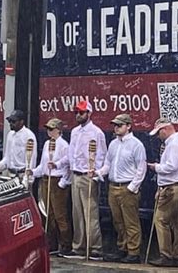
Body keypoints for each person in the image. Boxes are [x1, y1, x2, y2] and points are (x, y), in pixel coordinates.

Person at [91, 114, 147, 264]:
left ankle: (134, 251)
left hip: (127, 187)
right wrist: (98, 173)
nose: (116, 128)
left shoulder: (136, 145)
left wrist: (132, 187)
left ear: (128, 126)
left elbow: (141, 168)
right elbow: (108, 164)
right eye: (115, 125)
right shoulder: (113, 144)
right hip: (113, 186)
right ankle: (122, 248)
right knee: (118, 221)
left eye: (119, 125)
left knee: (131, 221)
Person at [63, 100, 107, 261]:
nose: (78, 115)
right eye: (76, 113)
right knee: (77, 213)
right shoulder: (74, 132)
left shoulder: (97, 133)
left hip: (88, 176)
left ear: (89, 113)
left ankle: (95, 248)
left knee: (91, 213)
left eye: (81, 112)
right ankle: (79, 247)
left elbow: (101, 155)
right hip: (76, 175)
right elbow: (71, 153)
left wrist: (96, 173)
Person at [147, 118, 178, 268]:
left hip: (173, 188)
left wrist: (155, 167)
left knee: (160, 219)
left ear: (164, 130)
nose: (158, 137)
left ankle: (166, 255)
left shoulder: (173, 144)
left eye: (158, 133)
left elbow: (171, 167)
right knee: (177, 222)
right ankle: (177, 256)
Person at [27, 118, 72, 256]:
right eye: (48, 128)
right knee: (49, 213)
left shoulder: (64, 145)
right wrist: (33, 172)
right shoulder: (47, 143)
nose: (49, 131)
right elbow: (43, 164)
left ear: (59, 130)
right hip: (46, 179)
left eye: (52, 129)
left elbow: (68, 164)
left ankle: (66, 244)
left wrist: (63, 181)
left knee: (60, 214)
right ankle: (52, 243)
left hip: (57, 180)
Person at [0, 109, 37, 178]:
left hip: (22, 175)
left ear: (21, 122)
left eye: (13, 121)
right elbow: (7, 158)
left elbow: (32, 160)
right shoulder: (10, 135)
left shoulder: (29, 136)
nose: (11, 123)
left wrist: (28, 179)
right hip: (10, 175)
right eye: (10, 121)